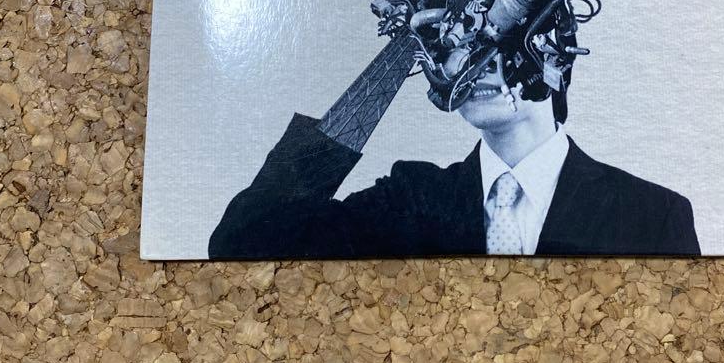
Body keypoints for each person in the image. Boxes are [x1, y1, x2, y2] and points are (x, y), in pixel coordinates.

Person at [207, 59, 699, 258]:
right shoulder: (410, 200)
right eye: (458, 46)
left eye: (498, 39)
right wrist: (396, 57)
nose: (476, 65)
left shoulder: (653, 215)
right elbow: (243, 244)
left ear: (556, 56)